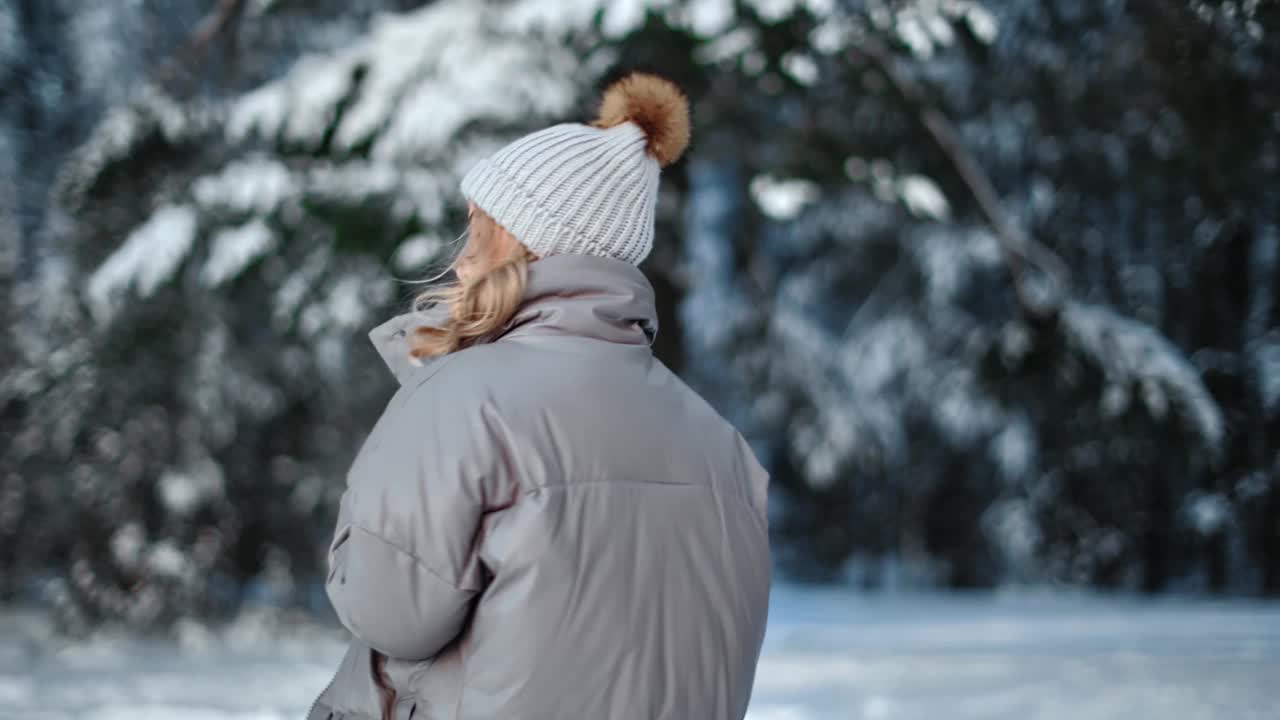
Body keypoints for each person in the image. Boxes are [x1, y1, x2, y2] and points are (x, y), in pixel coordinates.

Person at [307, 72, 771, 720]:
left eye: (479, 230)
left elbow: (389, 612)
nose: (465, 259)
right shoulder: (721, 445)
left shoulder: (464, 399)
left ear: (523, 240)